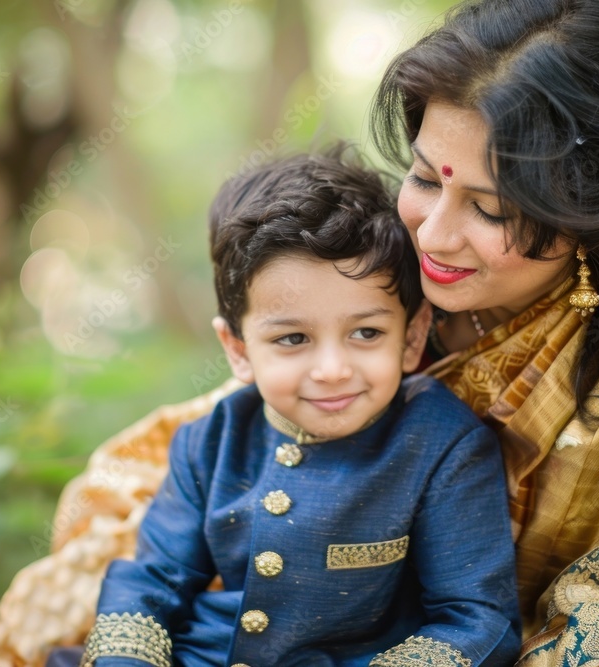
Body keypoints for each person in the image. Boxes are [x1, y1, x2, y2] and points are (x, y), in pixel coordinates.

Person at [0, 1, 599, 666]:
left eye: (491, 208)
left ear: (594, 212)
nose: (431, 234)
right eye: (425, 178)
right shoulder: (385, 287)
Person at [76, 148, 520, 667]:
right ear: (238, 350)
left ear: (413, 334)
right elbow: (153, 580)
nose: (332, 369)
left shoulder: (443, 445)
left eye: (366, 332)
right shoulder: (211, 441)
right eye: (292, 339)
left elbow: (479, 618)